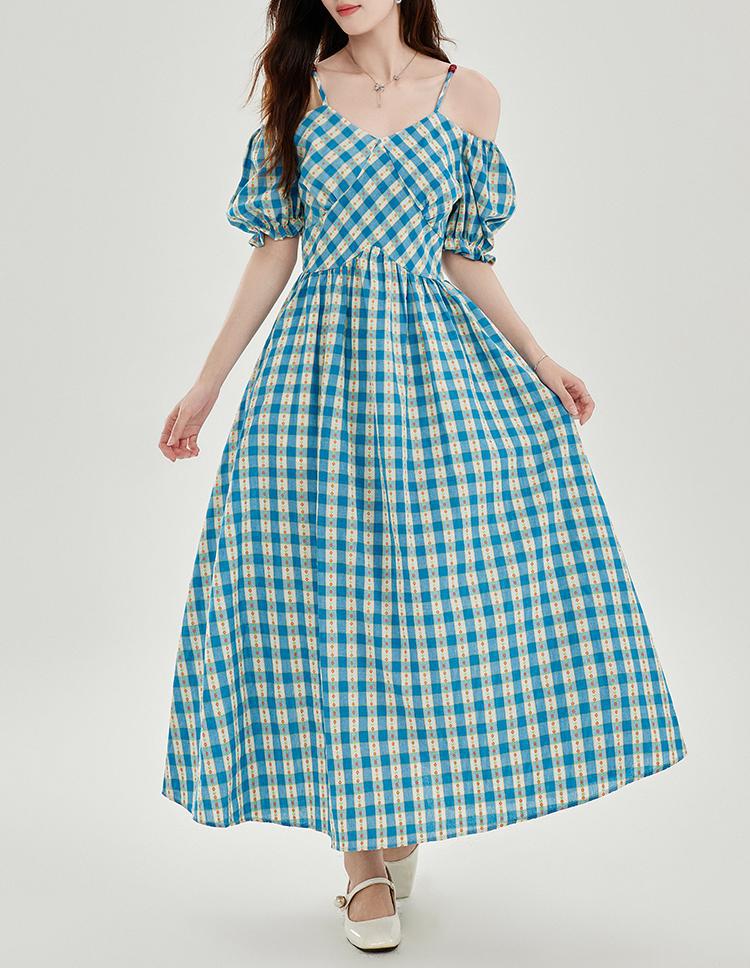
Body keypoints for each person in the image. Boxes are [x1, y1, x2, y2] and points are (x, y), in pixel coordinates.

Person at [159, 0, 686, 952]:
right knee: (331, 601)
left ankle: (392, 809)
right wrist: (206, 385)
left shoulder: (469, 98)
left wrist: (541, 359)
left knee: (424, 600)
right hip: (315, 382)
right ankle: (361, 863)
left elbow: (463, 256)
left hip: (432, 378)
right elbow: (275, 248)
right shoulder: (300, 92)